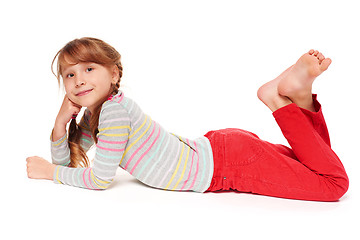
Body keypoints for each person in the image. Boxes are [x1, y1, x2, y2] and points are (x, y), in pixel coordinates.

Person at [26, 37, 349, 201]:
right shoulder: (98, 115)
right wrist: (59, 124)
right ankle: (300, 99)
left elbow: (99, 179)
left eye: (89, 68)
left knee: (333, 184)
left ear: (114, 73)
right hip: (221, 150)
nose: (79, 80)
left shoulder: (113, 114)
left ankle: (278, 100)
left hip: (229, 167)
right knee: (319, 163)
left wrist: (48, 172)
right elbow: (69, 165)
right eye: (70, 74)